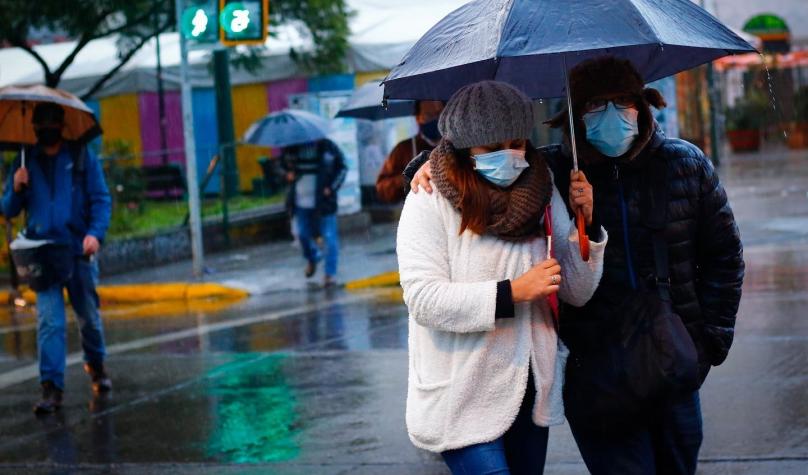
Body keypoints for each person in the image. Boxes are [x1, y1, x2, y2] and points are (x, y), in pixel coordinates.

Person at [408, 57, 745, 475]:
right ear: (572, 116)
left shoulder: (683, 163)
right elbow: (465, 166)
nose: (611, 115)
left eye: (622, 101)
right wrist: (423, 167)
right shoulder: (549, 172)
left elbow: (724, 257)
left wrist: (707, 346)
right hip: (596, 368)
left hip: (673, 358)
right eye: (594, 106)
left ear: (643, 104)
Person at [397, 81, 607, 474]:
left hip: (528, 388)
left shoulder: (542, 190)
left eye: (516, 143)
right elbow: (423, 298)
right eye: (491, 148)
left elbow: (577, 291)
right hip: (461, 394)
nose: (508, 156)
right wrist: (512, 292)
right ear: (465, 147)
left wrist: (587, 227)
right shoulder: (429, 198)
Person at [2, 102, 112, 414]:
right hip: (42, 253)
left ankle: (96, 365)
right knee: (49, 321)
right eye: (40, 125)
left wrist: (95, 233)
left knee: (88, 317)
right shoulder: (24, 161)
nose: (45, 130)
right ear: (34, 128)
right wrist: (15, 188)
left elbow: (101, 199)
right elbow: (9, 209)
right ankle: (51, 387)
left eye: (51, 124)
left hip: (77, 251)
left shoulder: (80, 158)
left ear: (61, 126)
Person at [281, 138, 347, 287]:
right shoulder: (291, 148)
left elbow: (342, 168)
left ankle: (330, 274)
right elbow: (280, 167)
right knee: (302, 234)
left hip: (324, 202)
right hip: (300, 202)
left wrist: (331, 188)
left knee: (329, 238)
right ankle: (313, 256)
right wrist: (287, 174)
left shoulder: (328, 147)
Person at [375, 100, 444, 203]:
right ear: (418, 118)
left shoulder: (456, 146)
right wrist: (406, 178)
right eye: (429, 115)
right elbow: (382, 189)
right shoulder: (403, 149)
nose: (436, 119)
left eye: (439, 114)